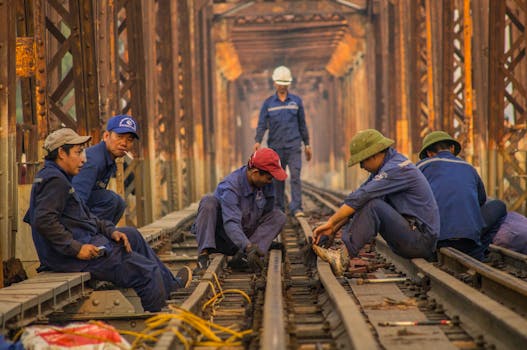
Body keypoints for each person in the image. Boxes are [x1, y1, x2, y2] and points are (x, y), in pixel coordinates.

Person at [23, 128, 191, 312]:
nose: (83, 159)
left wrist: (111, 231)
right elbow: (44, 220)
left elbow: (83, 215)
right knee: (146, 272)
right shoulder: (55, 180)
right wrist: (76, 248)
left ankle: (170, 287)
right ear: (62, 153)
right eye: (78, 152)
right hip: (68, 257)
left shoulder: (58, 176)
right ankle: (159, 323)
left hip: (77, 244)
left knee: (131, 235)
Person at [312, 129, 439, 275]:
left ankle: (342, 257)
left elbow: (363, 196)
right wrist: (333, 228)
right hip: (413, 235)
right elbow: (358, 197)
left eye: (362, 161)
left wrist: (331, 221)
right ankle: (344, 251)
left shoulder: (396, 168)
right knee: (368, 200)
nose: (361, 166)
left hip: (420, 240)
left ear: (374, 155)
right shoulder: (384, 168)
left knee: (373, 205)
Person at [192, 148, 287, 274]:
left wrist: (260, 241)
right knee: (208, 202)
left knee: (279, 216)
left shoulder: (266, 185)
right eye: (269, 178)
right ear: (255, 172)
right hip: (223, 239)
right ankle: (203, 257)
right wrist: (248, 247)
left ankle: (243, 258)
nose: (271, 181)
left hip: (245, 237)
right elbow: (230, 223)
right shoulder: (231, 187)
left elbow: (267, 214)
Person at [416, 131, 507, 260]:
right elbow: (481, 200)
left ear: (429, 153)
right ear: (452, 148)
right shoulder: (468, 167)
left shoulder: (421, 166)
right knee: (500, 206)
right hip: (467, 241)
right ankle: (478, 251)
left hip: (435, 238)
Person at [254, 65, 312, 217]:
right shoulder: (268, 104)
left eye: (284, 83)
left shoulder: (296, 102)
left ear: (288, 84)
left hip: (294, 146)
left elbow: (302, 124)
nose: (281, 85)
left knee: (295, 176)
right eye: (279, 82)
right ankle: (279, 208)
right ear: (274, 83)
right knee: (277, 180)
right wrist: (258, 141)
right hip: (275, 148)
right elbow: (262, 124)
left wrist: (307, 144)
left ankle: (297, 208)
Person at [72, 115, 139, 224]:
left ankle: (101, 235)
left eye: (129, 139)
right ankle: (91, 236)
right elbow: (75, 202)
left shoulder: (107, 159)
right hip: (58, 226)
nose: (124, 143)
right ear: (106, 136)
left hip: (74, 214)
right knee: (111, 200)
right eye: (119, 136)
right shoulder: (93, 161)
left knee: (118, 203)